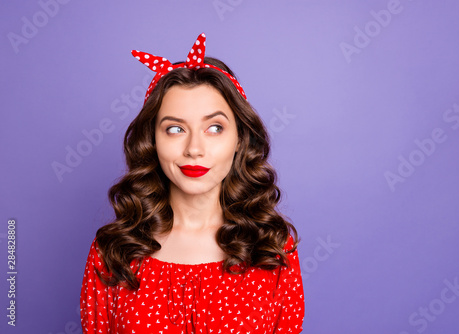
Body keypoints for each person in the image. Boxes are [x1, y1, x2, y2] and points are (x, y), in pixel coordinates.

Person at [80, 33, 304, 334]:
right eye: (174, 128)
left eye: (214, 128)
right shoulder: (113, 251)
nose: (194, 148)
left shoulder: (272, 247)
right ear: (152, 141)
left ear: (239, 138)